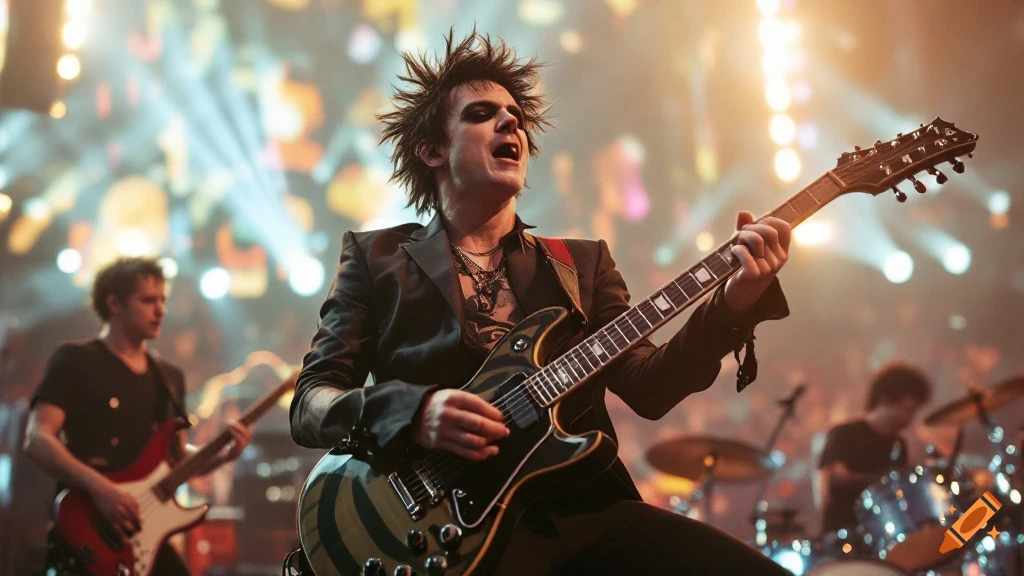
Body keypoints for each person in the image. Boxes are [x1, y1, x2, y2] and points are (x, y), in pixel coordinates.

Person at [289, 31, 793, 575]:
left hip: (589, 512)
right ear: (432, 150)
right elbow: (312, 402)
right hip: (451, 532)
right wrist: (415, 412)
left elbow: (651, 387)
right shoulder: (377, 258)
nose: (511, 124)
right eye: (482, 114)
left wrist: (732, 306)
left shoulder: (581, 263)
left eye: (515, 116)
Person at [22, 257, 254, 576]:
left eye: (162, 300)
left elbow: (174, 457)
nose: (160, 310)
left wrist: (220, 456)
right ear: (114, 303)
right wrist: (102, 490)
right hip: (88, 527)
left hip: (142, 534)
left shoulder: (169, 377)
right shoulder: (75, 360)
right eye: (148, 300)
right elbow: (37, 439)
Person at [816, 363, 933, 534]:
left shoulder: (900, 445)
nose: (910, 418)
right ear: (884, 400)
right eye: (907, 409)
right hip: (844, 534)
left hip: (879, 535)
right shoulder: (844, 433)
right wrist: (884, 481)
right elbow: (834, 478)